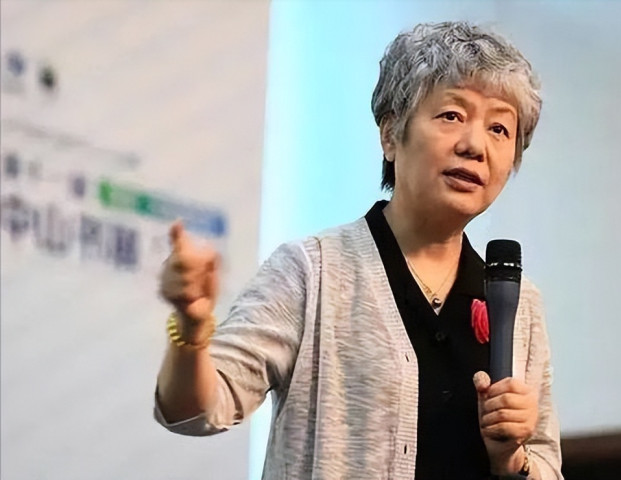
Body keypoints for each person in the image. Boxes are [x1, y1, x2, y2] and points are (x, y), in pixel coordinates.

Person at [155, 21, 562, 479]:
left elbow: (546, 465)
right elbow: (193, 410)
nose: (474, 146)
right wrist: (191, 327)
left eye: (499, 129)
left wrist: (512, 459)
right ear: (390, 134)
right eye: (451, 115)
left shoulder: (520, 305)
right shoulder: (312, 271)